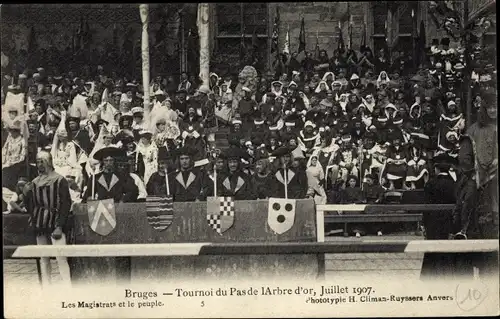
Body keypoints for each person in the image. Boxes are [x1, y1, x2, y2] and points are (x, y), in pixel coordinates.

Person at [22, 151, 72, 286]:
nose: (40, 164)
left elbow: (66, 204)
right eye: (38, 161)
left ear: (49, 162)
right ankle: (46, 289)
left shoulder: (59, 180)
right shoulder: (34, 183)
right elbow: (30, 207)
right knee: (43, 258)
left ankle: (68, 289)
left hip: (55, 222)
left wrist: (59, 226)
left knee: (61, 257)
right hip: (40, 223)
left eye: (42, 161)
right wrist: (25, 195)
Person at [420, 152, 458, 280]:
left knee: (432, 249)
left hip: (432, 222)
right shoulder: (454, 184)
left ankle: (430, 277)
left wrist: (423, 224)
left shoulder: (430, 184)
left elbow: (425, 207)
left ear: (436, 169)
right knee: (447, 249)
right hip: (449, 222)